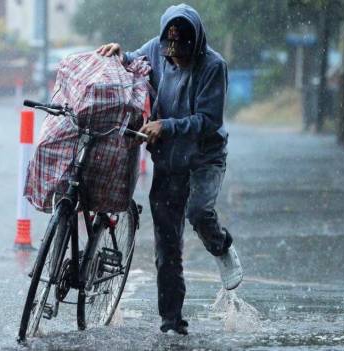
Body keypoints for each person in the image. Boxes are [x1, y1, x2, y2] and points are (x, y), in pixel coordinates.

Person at [98, 3, 243, 335]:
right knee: (167, 245)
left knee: (199, 212)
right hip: (169, 159)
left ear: (197, 44)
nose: (175, 57)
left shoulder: (213, 66)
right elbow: (132, 62)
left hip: (205, 156)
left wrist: (167, 126)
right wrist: (119, 55)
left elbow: (209, 120)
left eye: (182, 52)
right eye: (170, 51)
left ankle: (221, 246)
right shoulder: (155, 49)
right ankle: (172, 320)